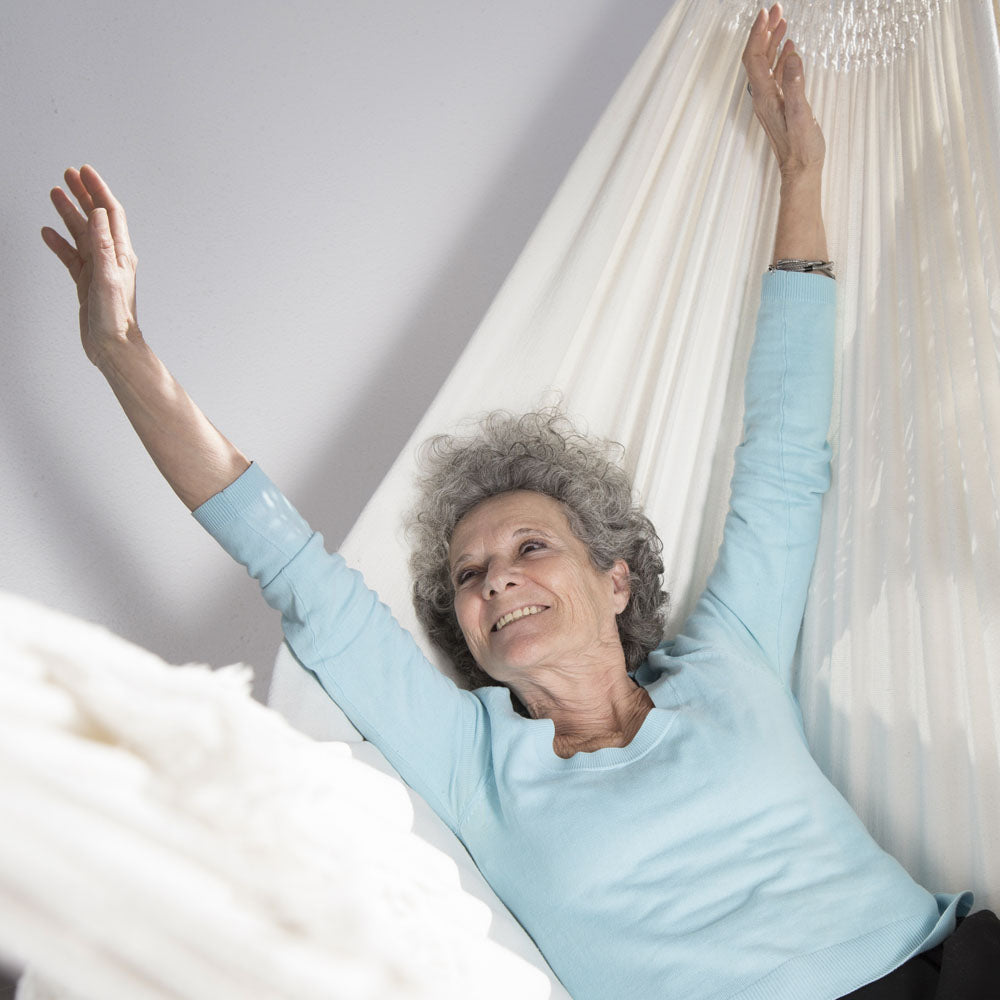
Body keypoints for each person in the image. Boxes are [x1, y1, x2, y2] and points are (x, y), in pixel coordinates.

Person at [41, 6, 1000, 998]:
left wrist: (802, 173)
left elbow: (788, 455)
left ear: (615, 575)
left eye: (529, 547)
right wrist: (124, 359)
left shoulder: (731, 662)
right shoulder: (470, 760)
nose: (495, 577)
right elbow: (292, 571)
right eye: (467, 573)